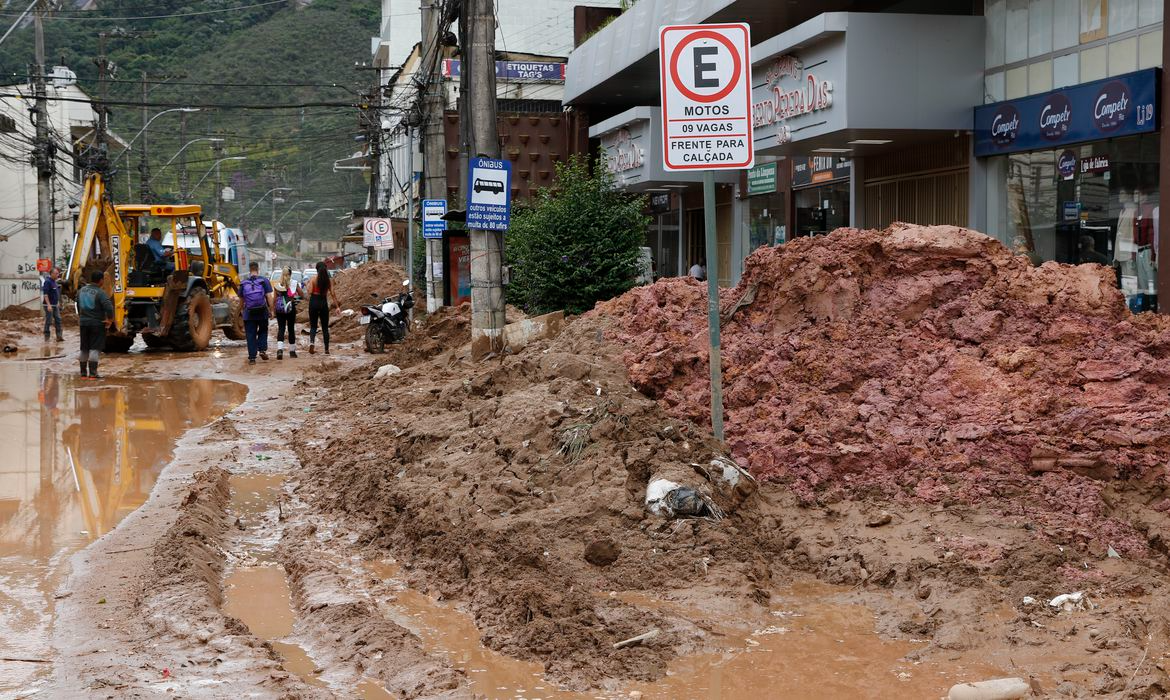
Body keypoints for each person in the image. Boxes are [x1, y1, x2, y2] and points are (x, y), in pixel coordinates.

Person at [77, 269, 114, 379]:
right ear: (101, 280)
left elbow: (78, 304)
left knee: (84, 349)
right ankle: (93, 374)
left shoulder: (81, 291)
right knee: (94, 348)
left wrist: (81, 316)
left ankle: (83, 374)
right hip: (97, 324)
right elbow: (109, 307)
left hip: (83, 323)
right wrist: (110, 319)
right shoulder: (100, 292)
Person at [240, 261, 275, 365]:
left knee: (250, 334)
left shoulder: (244, 282)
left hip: (249, 312)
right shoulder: (264, 281)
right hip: (262, 311)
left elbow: (241, 300)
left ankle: (252, 358)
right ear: (258, 269)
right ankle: (262, 350)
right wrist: (272, 310)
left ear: (249, 269)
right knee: (263, 330)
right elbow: (269, 296)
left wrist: (242, 311)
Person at [305, 261, 341, 355]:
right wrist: (337, 307)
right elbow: (333, 294)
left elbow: (309, 292)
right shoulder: (328, 280)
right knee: (325, 327)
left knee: (313, 326)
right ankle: (326, 349)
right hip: (323, 302)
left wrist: (307, 284)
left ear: (317, 270)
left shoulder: (313, 279)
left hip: (314, 302)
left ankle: (312, 342)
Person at [272, 266, 299, 360]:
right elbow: (302, 295)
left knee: (281, 328)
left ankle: (280, 350)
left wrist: (273, 310)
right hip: (290, 308)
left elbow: (274, 299)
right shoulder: (294, 283)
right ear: (290, 274)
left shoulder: (277, 285)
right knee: (291, 329)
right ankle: (292, 352)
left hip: (280, 309)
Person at [42, 266, 63, 342]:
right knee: (49, 321)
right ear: (51, 274)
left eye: (58, 273)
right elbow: (45, 294)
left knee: (58, 320)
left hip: (55, 305)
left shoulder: (54, 282)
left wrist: (57, 302)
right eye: (56, 273)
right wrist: (48, 305)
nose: (58, 275)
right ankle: (46, 338)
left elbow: (55, 294)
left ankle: (59, 337)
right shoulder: (47, 282)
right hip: (49, 305)